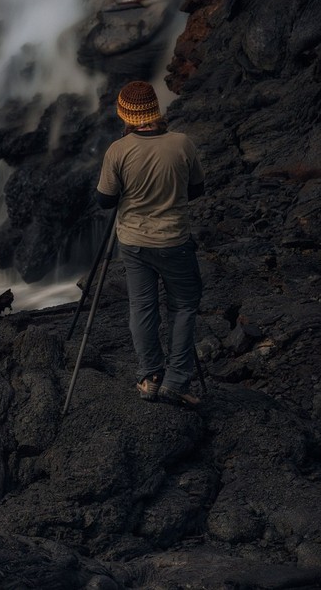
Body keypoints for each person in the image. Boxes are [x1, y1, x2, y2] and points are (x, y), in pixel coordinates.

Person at [96, 80, 205, 407]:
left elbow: (104, 200)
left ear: (125, 115)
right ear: (156, 110)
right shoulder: (182, 143)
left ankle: (149, 378)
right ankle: (176, 380)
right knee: (184, 305)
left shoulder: (118, 150)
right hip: (174, 240)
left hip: (133, 242)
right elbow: (197, 190)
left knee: (142, 308)